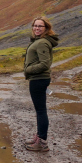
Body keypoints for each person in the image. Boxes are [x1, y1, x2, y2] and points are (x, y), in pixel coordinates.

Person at [23, 16, 59, 152]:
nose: (37, 28)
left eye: (40, 26)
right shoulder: (39, 41)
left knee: (41, 111)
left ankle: (42, 142)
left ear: (46, 28)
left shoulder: (42, 42)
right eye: (35, 26)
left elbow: (44, 64)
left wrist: (28, 70)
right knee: (39, 111)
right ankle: (39, 137)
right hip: (37, 79)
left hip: (38, 79)